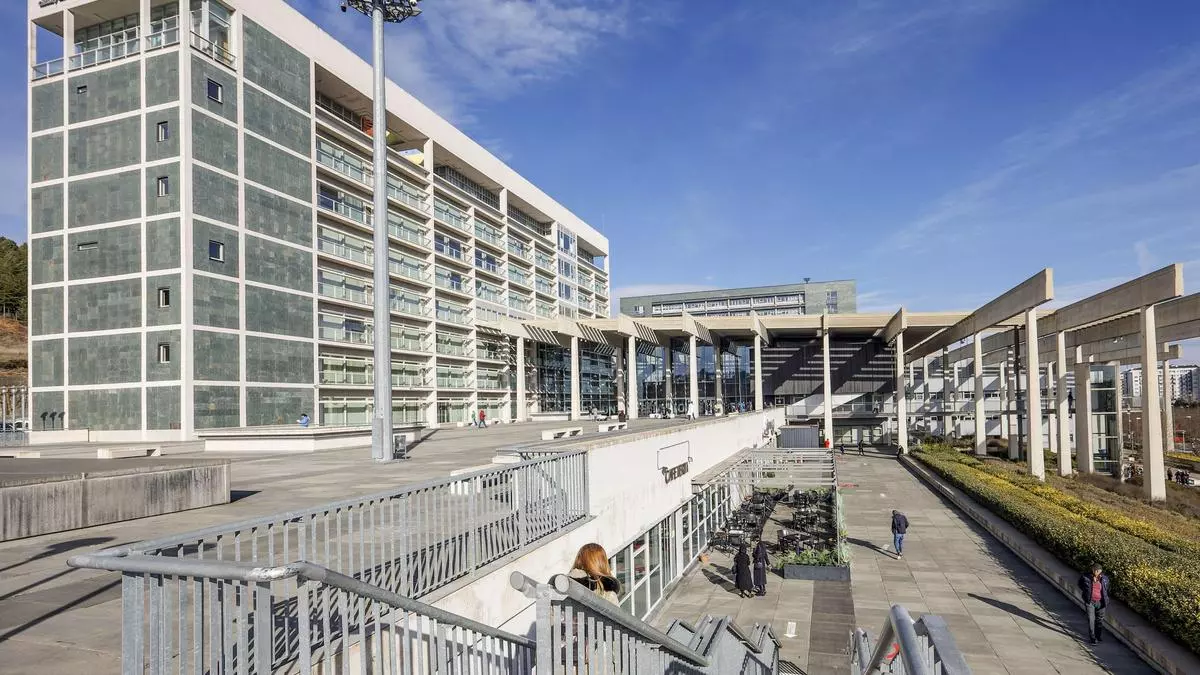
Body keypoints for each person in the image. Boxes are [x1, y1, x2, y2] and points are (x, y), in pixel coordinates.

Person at [1077, 563, 1109, 644]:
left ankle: (1098, 636)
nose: (1096, 572)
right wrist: (1086, 593)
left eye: (1098, 570)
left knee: (1099, 620)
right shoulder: (1086, 577)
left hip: (1101, 602)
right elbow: (1080, 584)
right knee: (1091, 619)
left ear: (1100, 571)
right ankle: (1093, 637)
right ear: (1092, 570)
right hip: (1090, 601)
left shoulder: (1104, 579)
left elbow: (1106, 588)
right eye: (1094, 570)